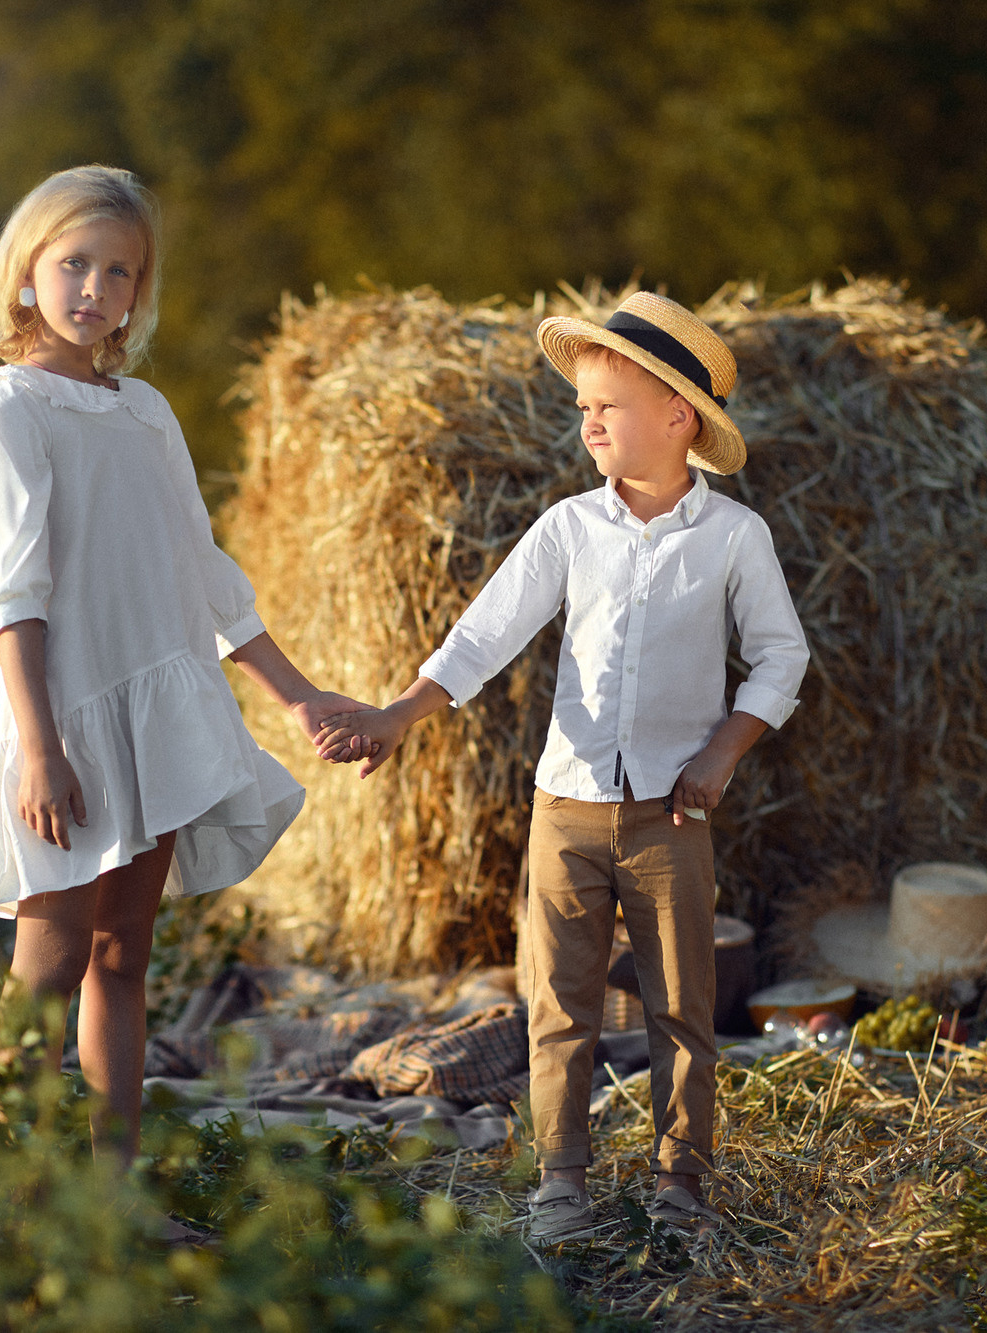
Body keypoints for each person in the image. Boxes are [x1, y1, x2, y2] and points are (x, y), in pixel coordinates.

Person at [315, 292, 809, 1239]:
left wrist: (722, 750)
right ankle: (562, 1185)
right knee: (559, 1009)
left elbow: (783, 655)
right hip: (566, 808)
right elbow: (483, 636)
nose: (586, 421)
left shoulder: (733, 537)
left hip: (674, 816)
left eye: (606, 405)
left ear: (678, 416)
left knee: (681, 1013)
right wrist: (398, 716)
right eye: (581, 404)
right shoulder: (568, 528)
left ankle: (680, 1188)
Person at [0, 166, 366, 1225]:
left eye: (117, 271)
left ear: (138, 294)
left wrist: (296, 693)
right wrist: (39, 747)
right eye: (73, 263)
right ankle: (1, 1196)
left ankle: (112, 1191)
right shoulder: (12, 402)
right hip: (71, 716)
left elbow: (204, 569)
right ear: (29, 273)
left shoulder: (145, 411)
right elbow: (18, 587)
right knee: (44, 964)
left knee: (121, 959)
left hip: (155, 712)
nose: (93, 287)